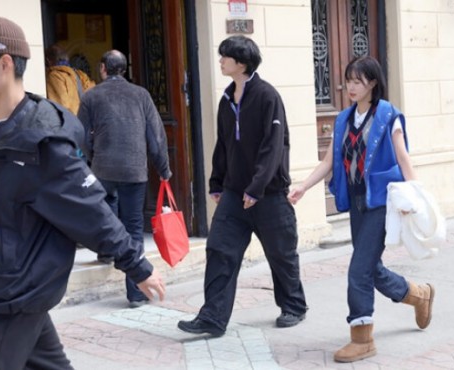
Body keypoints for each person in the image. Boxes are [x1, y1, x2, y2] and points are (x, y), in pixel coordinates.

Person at [0, 17, 165, 370]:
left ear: (4, 64)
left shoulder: (41, 139)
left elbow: (90, 210)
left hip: (15, 294)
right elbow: (22, 192)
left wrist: (137, 266)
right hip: (12, 280)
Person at [288, 55, 434, 363]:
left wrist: (416, 196)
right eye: (349, 80)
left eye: (358, 80)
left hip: (381, 202)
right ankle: (418, 294)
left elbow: (402, 156)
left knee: (358, 270)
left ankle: (362, 338)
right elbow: (329, 161)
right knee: (371, 268)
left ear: (373, 83)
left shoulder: (388, 116)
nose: (351, 86)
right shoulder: (343, 119)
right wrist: (303, 186)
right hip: (355, 201)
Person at [177, 35, 308, 338]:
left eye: (225, 57)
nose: (220, 61)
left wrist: (257, 187)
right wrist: (216, 181)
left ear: (242, 63)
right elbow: (223, 144)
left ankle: (294, 306)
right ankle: (212, 317)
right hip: (235, 194)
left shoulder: (267, 97)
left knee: (281, 253)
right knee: (220, 250)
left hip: (269, 194)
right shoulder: (226, 99)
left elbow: (273, 147)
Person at [78, 50, 172, 308]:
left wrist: (93, 156)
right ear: (124, 69)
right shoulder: (141, 95)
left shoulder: (91, 96)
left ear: (103, 68)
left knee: (105, 216)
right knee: (133, 229)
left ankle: (107, 252)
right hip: (134, 170)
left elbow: (81, 136)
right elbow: (155, 138)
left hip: (103, 169)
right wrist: (164, 168)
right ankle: (136, 292)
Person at [45, 44, 95, 115]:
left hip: (70, 122)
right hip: (84, 121)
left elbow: (60, 107)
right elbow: (93, 95)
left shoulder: (54, 76)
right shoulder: (80, 74)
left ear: (48, 61)